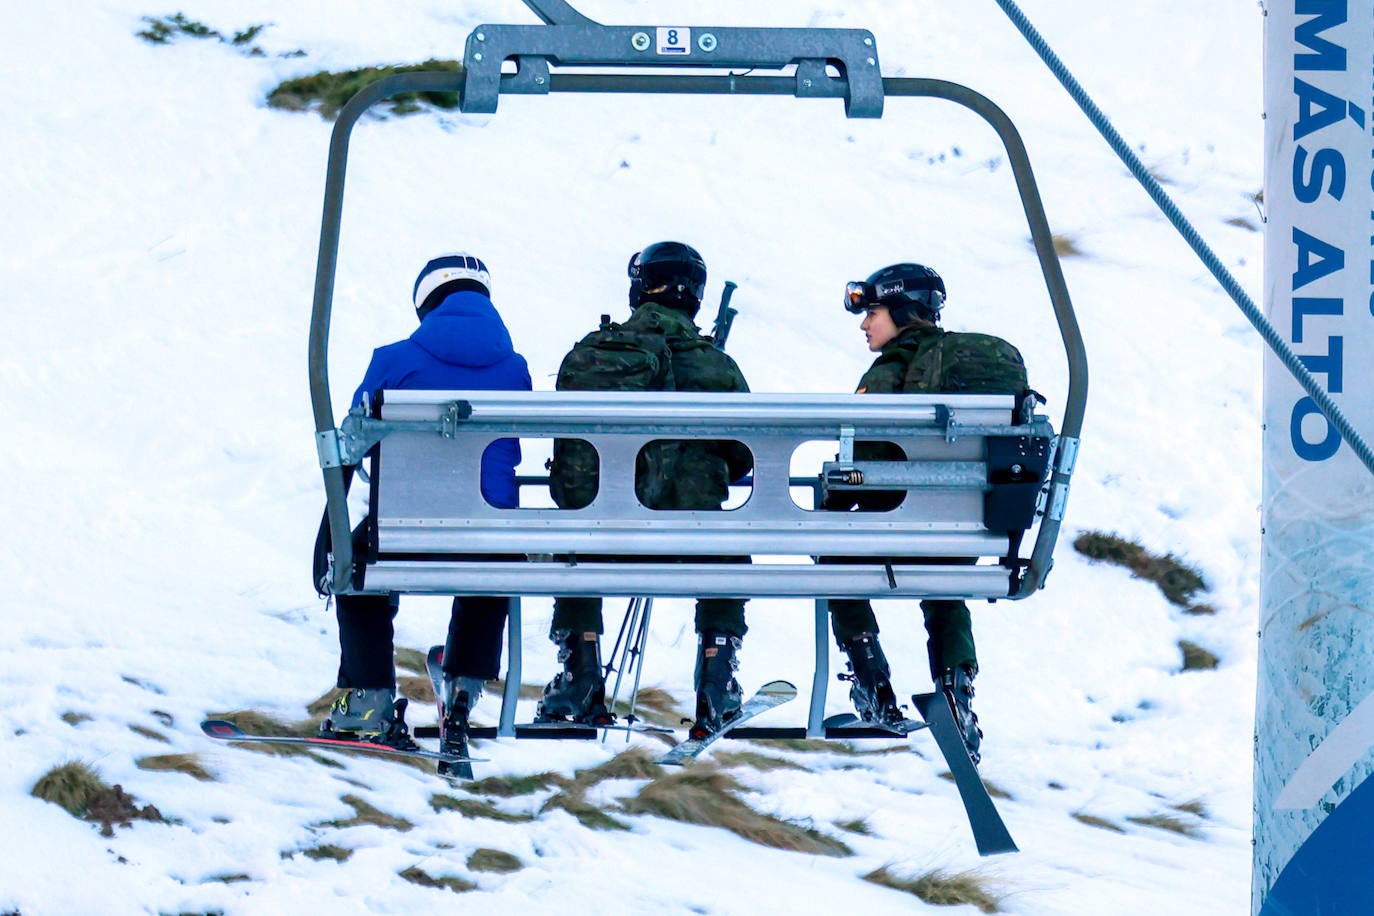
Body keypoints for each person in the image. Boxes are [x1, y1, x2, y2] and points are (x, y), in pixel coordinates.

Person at [542, 241, 753, 738]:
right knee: (725, 547)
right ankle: (717, 677)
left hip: (602, 538)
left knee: (577, 538)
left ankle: (579, 674)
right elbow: (745, 456)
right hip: (694, 542)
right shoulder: (714, 365)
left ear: (638, 287)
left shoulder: (597, 353)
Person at [321, 252, 532, 747]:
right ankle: (464, 685)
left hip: (403, 531)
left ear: (427, 302)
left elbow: (354, 442)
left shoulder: (392, 360)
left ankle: (367, 700)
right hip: (488, 534)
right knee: (493, 553)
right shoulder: (516, 369)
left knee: (356, 569)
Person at [826, 262, 1030, 765]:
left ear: (898, 309)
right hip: (968, 532)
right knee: (944, 586)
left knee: (833, 549)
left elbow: (867, 462)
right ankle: (956, 691)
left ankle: (872, 681)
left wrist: (837, 496)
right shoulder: (972, 372)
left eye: (872, 311)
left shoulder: (892, 369)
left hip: (897, 524)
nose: (864, 323)